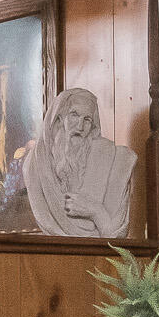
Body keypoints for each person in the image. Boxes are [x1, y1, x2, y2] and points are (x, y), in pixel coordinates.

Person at [22, 88, 133, 238]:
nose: (80, 126)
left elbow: (115, 236)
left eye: (87, 120)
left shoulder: (113, 160)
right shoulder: (35, 165)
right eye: (74, 115)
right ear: (59, 119)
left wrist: (95, 211)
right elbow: (48, 225)